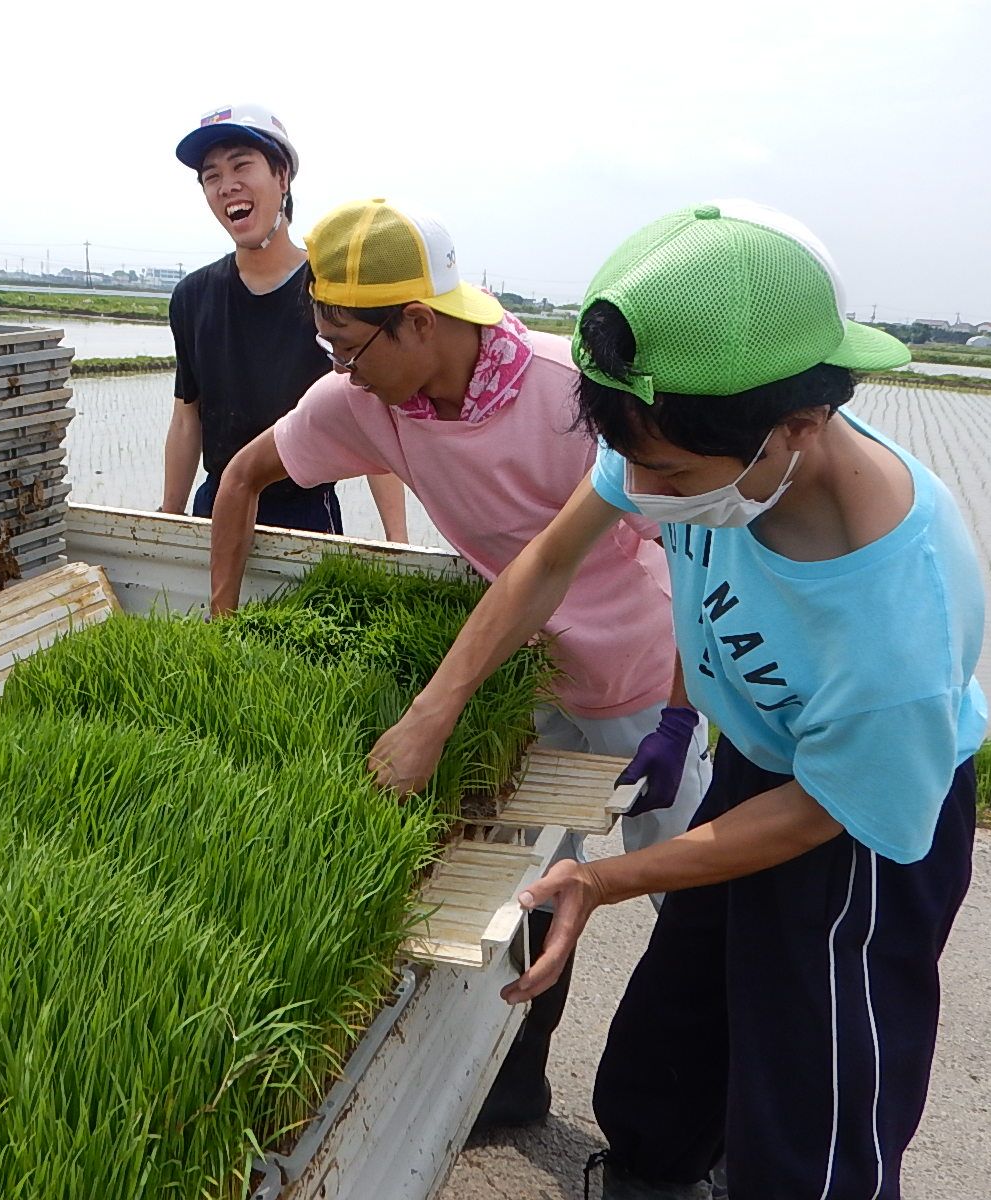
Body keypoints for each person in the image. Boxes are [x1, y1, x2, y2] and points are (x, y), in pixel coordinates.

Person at [368, 200, 987, 1199]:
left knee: (809, 1112)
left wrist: (606, 879)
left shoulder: (897, 602)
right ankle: (652, 1175)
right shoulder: (681, 425)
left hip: (858, 822)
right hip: (753, 764)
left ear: (797, 425)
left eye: (666, 473)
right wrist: (440, 706)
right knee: (668, 1045)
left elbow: (823, 810)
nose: (641, 493)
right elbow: (547, 564)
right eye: (633, 461)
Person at [208, 197, 711, 1128]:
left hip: (635, 684)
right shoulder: (364, 401)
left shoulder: (571, 397)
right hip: (511, 682)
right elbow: (241, 478)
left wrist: (682, 714)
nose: (341, 372)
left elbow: (694, 547)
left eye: (351, 347)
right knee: (514, 898)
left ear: (420, 321)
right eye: (327, 349)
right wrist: (220, 634)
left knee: (693, 902)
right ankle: (513, 1081)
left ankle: (691, 1127)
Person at [165, 105, 406, 539]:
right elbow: (188, 415)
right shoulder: (192, 297)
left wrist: (399, 544)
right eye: (211, 175)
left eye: (241, 165)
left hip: (306, 514)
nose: (226, 185)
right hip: (216, 506)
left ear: (282, 177)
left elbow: (373, 416)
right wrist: (166, 523)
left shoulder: (332, 293)